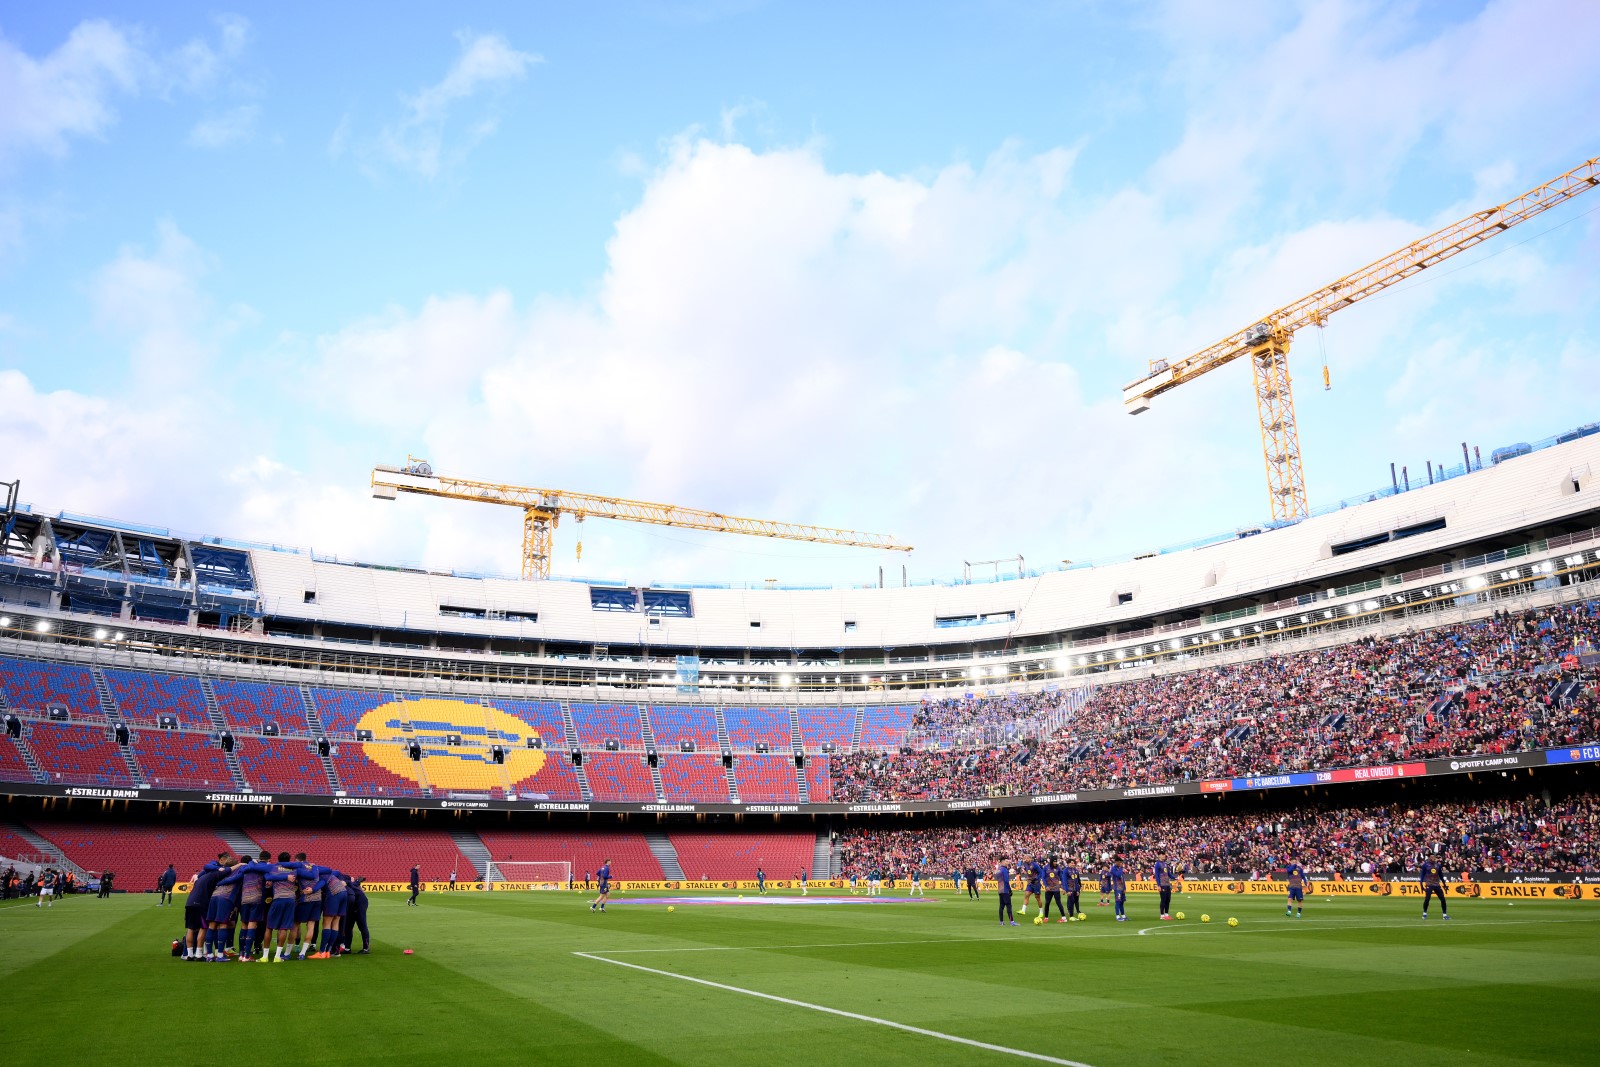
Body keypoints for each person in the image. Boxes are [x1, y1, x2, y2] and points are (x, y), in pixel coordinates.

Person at [183, 855, 234, 960]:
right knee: (204, 927)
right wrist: (240, 865)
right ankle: (199, 954)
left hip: (189, 902)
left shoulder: (203, 875)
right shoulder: (214, 875)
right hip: (200, 902)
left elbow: (207, 866)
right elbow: (228, 870)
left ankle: (189, 954)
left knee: (190, 928)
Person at [262, 853, 299, 962]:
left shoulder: (273, 868)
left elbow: (267, 877)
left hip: (278, 899)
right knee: (284, 928)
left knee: (269, 927)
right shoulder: (294, 870)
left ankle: (265, 957)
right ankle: (277, 957)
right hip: (290, 900)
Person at [312, 869, 351, 958]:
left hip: (334, 895)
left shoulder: (321, 877)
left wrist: (312, 889)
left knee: (327, 922)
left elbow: (318, 887)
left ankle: (322, 952)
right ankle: (328, 951)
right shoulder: (331, 875)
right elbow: (337, 872)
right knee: (336, 922)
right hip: (344, 893)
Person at [340, 876, 371, 954]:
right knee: (348, 926)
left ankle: (366, 948)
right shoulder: (345, 883)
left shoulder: (345, 883)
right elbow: (355, 883)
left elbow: (353, 883)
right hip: (352, 904)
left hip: (360, 903)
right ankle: (347, 948)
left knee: (362, 924)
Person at [1418, 855, 1450, 920]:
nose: (1433, 859)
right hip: (1429, 884)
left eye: (1434, 858)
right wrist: (1421, 884)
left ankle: (1444, 914)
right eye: (1432, 858)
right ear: (1429, 858)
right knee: (1427, 898)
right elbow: (1422, 875)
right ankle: (1424, 913)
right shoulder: (1425, 865)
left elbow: (1441, 875)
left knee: (1443, 899)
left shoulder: (1438, 865)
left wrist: (1444, 884)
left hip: (1437, 884)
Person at [995, 862, 1017, 926]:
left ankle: (1001, 922)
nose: (1008, 863)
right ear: (1002, 862)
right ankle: (1012, 921)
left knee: (1001, 906)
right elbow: (1006, 881)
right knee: (1008, 905)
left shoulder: (999, 869)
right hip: (1005, 889)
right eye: (1006, 861)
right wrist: (1010, 890)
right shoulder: (1005, 870)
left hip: (1000, 889)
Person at [1154, 855, 1174, 920]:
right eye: (1163, 855)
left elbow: (1169, 874)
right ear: (1160, 856)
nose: (1164, 856)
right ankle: (1162, 915)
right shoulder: (1157, 864)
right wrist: (1158, 885)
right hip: (1162, 884)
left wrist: (1174, 878)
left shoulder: (1165, 864)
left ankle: (1166, 914)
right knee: (1163, 900)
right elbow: (1156, 875)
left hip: (1167, 884)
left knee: (1168, 899)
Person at [1110, 857, 1128, 922]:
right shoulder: (1113, 869)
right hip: (1117, 888)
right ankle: (1117, 916)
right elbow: (1117, 875)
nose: (1121, 863)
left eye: (1121, 862)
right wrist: (1122, 870)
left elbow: (1123, 879)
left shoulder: (1120, 868)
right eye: (1120, 862)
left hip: (1122, 887)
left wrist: (1125, 887)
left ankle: (1123, 916)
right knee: (1118, 901)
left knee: (1122, 902)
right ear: (1116, 862)